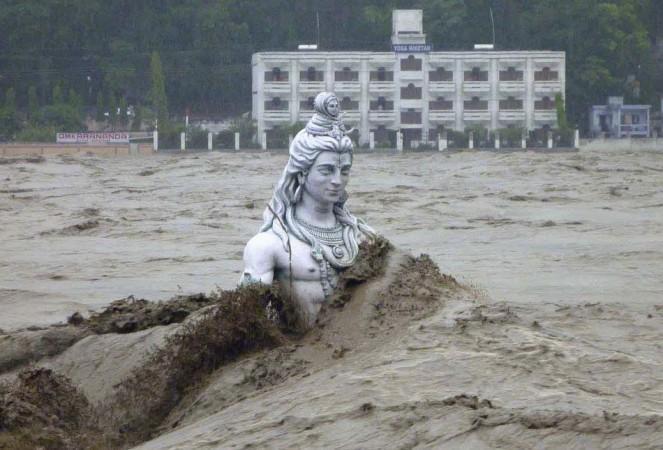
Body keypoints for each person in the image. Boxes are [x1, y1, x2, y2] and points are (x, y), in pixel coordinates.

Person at [241, 92, 375, 327]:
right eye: (326, 170)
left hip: (357, 356)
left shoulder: (363, 238)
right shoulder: (269, 245)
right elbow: (242, 318)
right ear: (302, 173)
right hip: (301, 351)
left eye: (344, 171)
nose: (337, 180)